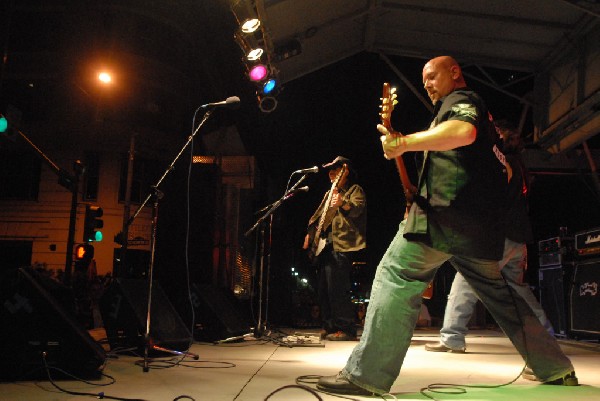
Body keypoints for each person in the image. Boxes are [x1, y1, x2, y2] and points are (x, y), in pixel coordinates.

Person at [316, 56, 577, 396]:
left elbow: (463, 132)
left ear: (454, 73)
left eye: (432, 75)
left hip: (442, 220)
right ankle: (555, 368)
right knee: (503, 297)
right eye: (422, 78)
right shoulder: (483, 126)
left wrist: (406, 142)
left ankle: (367, 376)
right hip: (478, 232)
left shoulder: (463, 102)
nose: (426, 83)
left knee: (396, 276)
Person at [425, 119, 555, 354]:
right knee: (518, 291)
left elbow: (489, 199)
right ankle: (546, 334)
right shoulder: (520, 166)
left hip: (498, 236)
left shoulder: (501, 165)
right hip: (518, 238)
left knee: (465, 280)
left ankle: (452, 337)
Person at [303, 156, 367, 341]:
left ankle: (346, 328)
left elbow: (357, 209)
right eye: (330, 170)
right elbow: (319, 217)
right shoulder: (329, 193)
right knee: (324, 288)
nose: (331, 173)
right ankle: (329, 325)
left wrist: (341, 202)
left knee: (338, 288)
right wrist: (310, 234)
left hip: (341, 245)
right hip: (325, 246)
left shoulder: (354, 189)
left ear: (345, 172)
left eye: (336, 169)